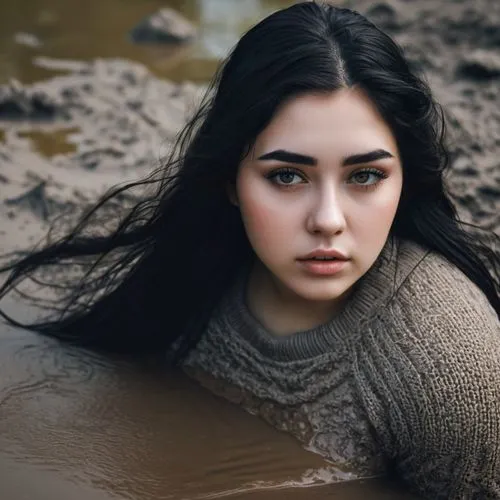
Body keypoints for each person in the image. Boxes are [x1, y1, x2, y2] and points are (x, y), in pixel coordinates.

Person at [1, 1, 499, 498]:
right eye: (286, 176)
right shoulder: (190, 272)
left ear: (405, 180)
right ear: (230, 181)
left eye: (365, 176)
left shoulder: (451, 368)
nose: (328, 219)